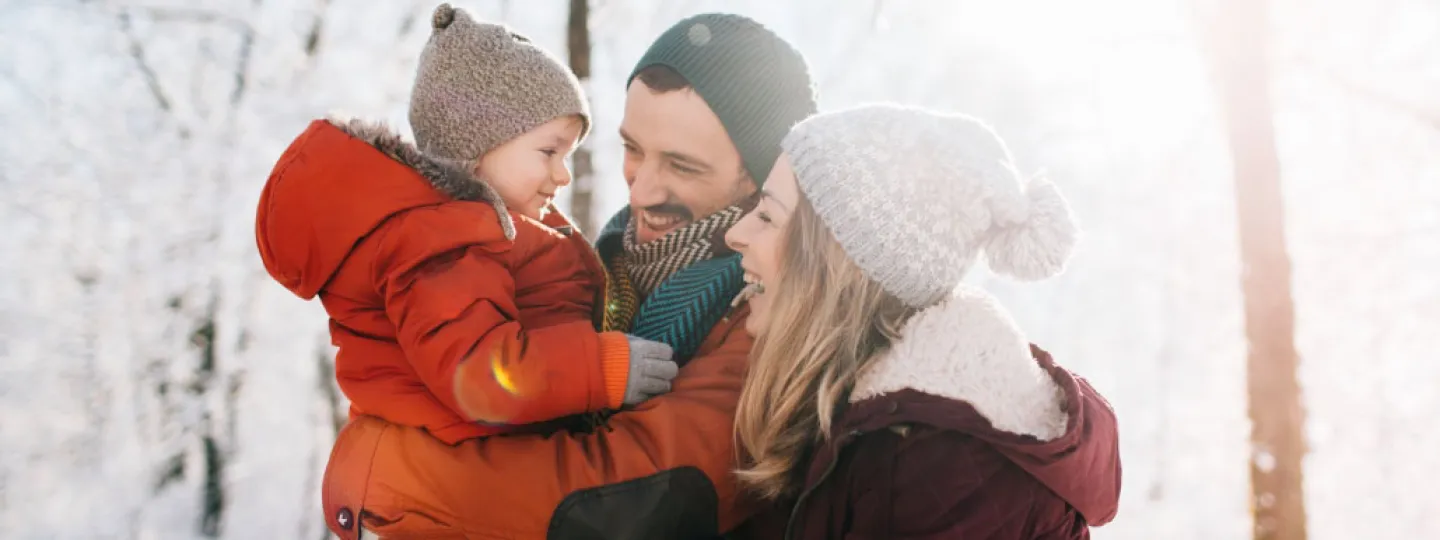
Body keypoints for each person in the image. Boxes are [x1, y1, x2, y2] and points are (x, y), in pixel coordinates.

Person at [281, 11, 818, 540]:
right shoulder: (602, 264)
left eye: (683, 166)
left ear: (764, 173)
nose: (641, 190)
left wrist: (387, 470)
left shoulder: (773, 308)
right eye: (632, 150)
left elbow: (633, 504)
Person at [723, 104, 1123, 539]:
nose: (735, 233)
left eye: (766, 215)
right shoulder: (853, 417)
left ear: (843, 265)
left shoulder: (945, 473)